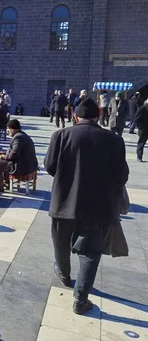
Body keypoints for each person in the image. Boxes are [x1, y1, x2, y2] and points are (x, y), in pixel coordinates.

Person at [45, 98, 128, 314]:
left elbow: (50, 166)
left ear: (75, 116)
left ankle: (64, 274)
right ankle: (80, 300)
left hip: (64, 202)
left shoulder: (61, 135)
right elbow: (122, 176)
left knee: (60, 243)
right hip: (98, 207)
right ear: (99, 116)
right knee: (90, 253)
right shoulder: (114, 140)